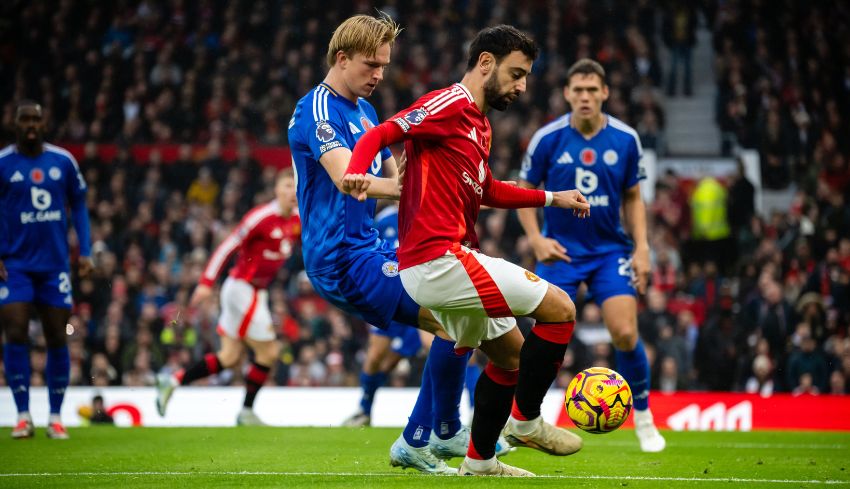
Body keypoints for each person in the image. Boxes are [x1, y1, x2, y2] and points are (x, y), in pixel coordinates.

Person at [345, 25, 591, 477]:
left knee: (512, 356)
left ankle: (480, 462)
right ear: (485, 63)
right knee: (560, 307)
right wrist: (357, 174)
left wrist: (553, 197)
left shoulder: (479, 124)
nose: (521, 87)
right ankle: (526, 421)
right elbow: (380, 134)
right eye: (516, 74)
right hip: (437, 259)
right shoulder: (448, 104)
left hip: (447, 259)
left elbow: (489, 189)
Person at [287, 14, 478, 474]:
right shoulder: (316, 110)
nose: (379, 75)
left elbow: (397, 180)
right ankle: (432, 434)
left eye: (385, 66)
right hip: (340, 260)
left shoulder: (366, 112)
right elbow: (347, 179)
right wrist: (420, 191)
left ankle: (438, 432)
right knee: (450, 320)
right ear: (342, 58)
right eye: (371, 65)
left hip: (372, 247)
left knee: (464, 314)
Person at [515, 58, 666, 452]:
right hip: (561, 251)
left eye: (591, 89)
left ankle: (645, 417)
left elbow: (634, 197)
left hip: (608, 251)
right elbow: (523, 191)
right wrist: (536, 239)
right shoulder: (547, 138)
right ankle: (525, 418)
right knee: (540, 339)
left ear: (605, 93)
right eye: (577, 90)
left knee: (625, 332)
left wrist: (643, 248)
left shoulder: (626, 139)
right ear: (567, 94)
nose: (584, 96)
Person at [155, 169, 300, 426]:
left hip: (256, 292)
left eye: (295, 186)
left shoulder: (298, 220)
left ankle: (173, 380)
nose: (292, 192)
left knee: (230, 357)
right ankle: (246, 412)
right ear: (276, 190)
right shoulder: (261, 217)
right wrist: (206, 283)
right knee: (269, 352)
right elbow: (226, 246)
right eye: (287, 186)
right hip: (243, 289)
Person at [0, 100, 93, 439]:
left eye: (36, 119)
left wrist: (86, 251)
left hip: (55, 266)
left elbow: (79, 204)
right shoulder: (3, 164)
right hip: (15, 265)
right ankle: (23, 415)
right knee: (15, 331)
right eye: (24, 119)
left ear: (44, 123)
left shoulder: (62, 161)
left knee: (57, 336)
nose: (30, 125)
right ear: (15, 124)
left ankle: (55, 416)